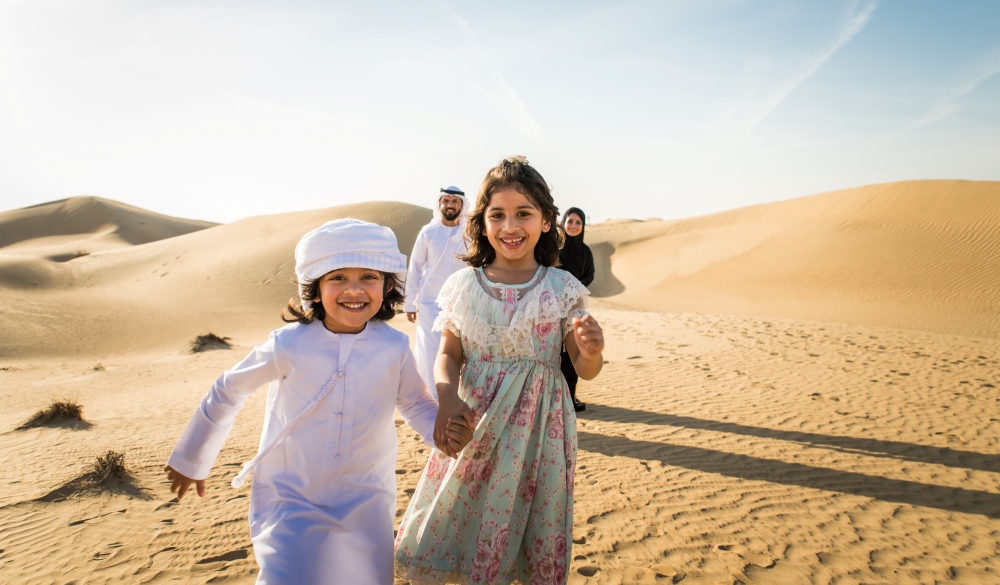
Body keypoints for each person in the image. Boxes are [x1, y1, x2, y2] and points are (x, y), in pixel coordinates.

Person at [163, 218, 474, 585]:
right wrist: (192, 459)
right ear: (314, 288)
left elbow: (414, 403)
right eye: (337, 277)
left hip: (367, 498)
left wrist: (442, 433)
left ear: (389, 285)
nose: (354, 290)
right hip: (291, 495)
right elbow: (228, 389)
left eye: (369, 277)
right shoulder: (288, 344)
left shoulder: (393, 346)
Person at [394, 156, 606, 585]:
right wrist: (447, 398)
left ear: (547, 221)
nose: (510, 226)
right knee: (460, 514)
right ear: (482, 222)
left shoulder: (562, 288)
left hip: (540, 433)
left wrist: (592, 350)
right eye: (498, 215)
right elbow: (449, 354)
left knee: (529, 526)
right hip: (476, 422)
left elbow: (584, 368)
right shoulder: (463, 285)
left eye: (523, 213)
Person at [404, 186, 470, 395]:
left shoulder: (470, 234)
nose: (450, 205)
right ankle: (434, 402)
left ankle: (460, 399)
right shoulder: (428, 232)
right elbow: (414, 268)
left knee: (463, 354)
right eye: (446, 201)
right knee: (431, 354)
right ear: (440, 204)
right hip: (430, 304)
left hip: (463, 305)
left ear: (461, 205)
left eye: (455, 201)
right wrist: (409, 302)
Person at [558, 207, 595, 412]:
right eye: (570, 221)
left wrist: (575, 289)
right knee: (554, 354)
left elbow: (589, 275)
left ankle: (570, 398)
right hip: (552, 309)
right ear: (563, 223)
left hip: (575, 309)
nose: (573, 226)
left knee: (573, 355)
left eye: (578, 222)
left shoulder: (585, 252)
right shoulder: (555, 248)